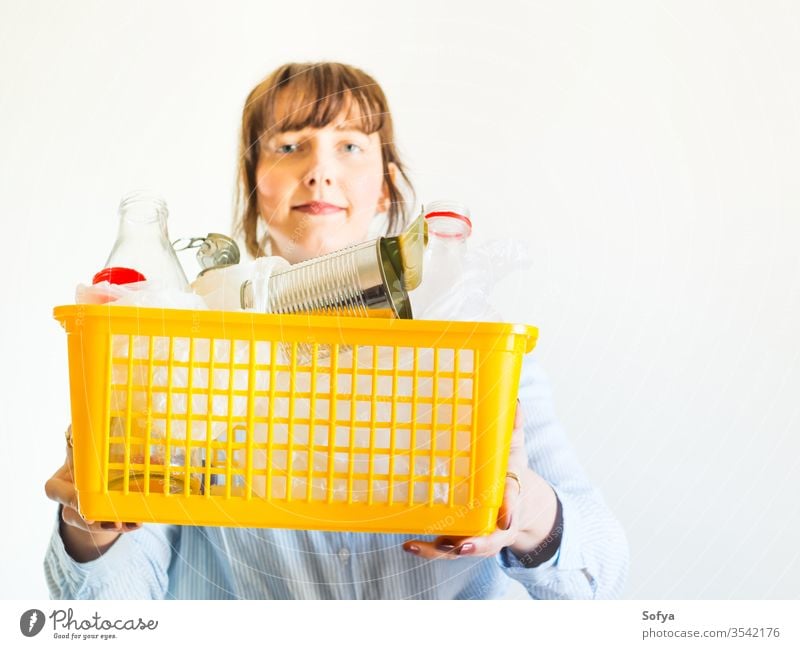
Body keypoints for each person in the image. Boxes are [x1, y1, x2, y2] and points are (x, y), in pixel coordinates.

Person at [44, 61, 629, 599]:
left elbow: (598, 579)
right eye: (290, 146)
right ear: (254, 182)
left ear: (385, 184)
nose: (320, 170)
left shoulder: (474, 356)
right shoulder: (191, 358)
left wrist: (525, 514)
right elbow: (107, 611)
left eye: (349, 146)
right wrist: (92, 518)